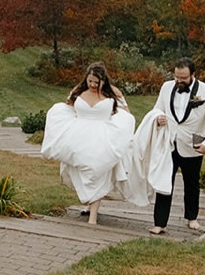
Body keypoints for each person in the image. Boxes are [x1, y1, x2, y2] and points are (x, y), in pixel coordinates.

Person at [39, 61, 134, 225]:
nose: (92, 85)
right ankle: (89, 203)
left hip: (102, 138)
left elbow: (126, 113)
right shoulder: (78, 91)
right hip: (79, 136)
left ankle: (93, 217)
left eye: (96, 82)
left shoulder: (113, 93)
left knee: (97, 171)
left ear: (103, 80)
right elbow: (68, 107)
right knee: (82, 171)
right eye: (90, 81)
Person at [147, 57, 205, 235]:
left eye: (183, 78)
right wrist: (158, 119)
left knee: (192, 183)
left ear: (193, 75)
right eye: (176, 77)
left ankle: (192, 218)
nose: (179, 81)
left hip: (194, 143)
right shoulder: (166, 87)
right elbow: (157, 109)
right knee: (165, 182)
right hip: (170, 142)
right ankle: (160, 223)